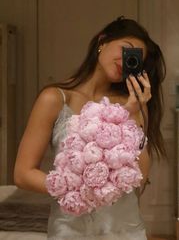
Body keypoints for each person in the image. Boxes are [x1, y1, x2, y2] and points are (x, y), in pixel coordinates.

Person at [14, 16, 166, 240]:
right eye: (125, 49)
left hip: (125, 228)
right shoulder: (55, 98)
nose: (125, 60)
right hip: (70, 229)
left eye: (133, 59)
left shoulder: (132, 104)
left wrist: (133, 113)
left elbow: (140, 176)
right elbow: (23, 174)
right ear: (102, 41)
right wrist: (76, 188)